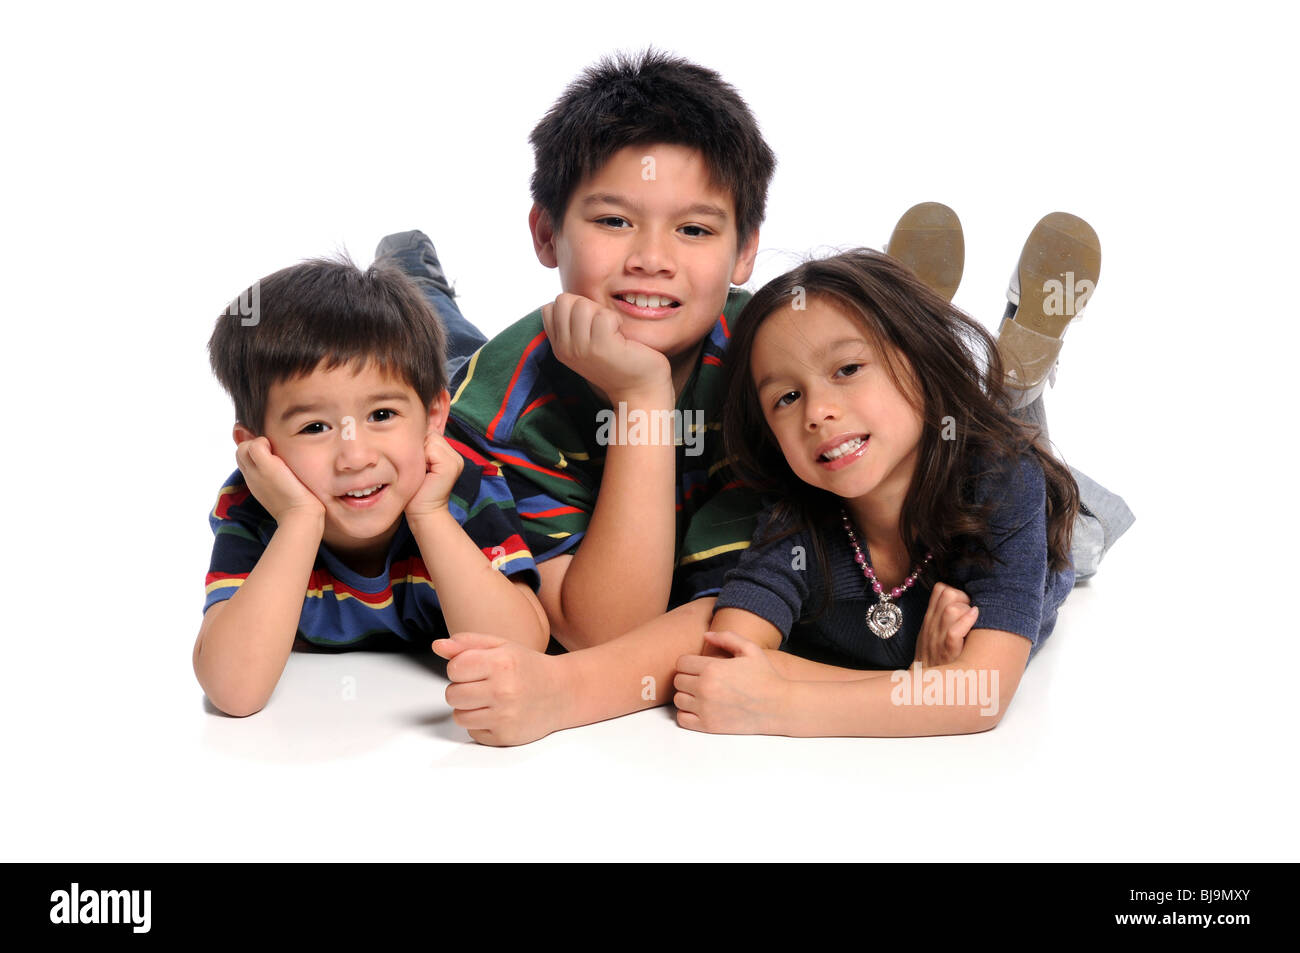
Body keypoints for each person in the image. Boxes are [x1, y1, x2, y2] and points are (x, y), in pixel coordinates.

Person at [375, 50, 778, 744]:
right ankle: (408, 284)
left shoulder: (771, 360)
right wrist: (642, 395)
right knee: (427, 348)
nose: (652, 257)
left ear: (745, 253)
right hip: (482, 368)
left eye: (695, 229)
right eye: (615, 221)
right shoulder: (494, 415)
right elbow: (603, 630)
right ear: (544, 232)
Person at [671, 223, 1133, 737]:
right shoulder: (794, 523)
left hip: (1033, 514)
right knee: (962, 426)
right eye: (786, 398)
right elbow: (731, 659)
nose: (817, 412)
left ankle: (1015, 381)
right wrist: (917, 681)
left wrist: (779, 702)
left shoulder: (1004, 484)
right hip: (928, 429)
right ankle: (930, 327)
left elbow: (979, 695)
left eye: (847, 368)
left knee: (1074, 521)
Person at [195, 257, 549, 718]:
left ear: (432, 418)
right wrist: (298, 520)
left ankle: (415, 271)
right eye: (315, 427)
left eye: (381, 415)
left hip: (471, 406)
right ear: (256, 450)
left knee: (461, 349)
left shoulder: (463, 485)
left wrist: (430, 515)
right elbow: (233, 692)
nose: (356, 457)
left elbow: (521, 652)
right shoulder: (255, 505)